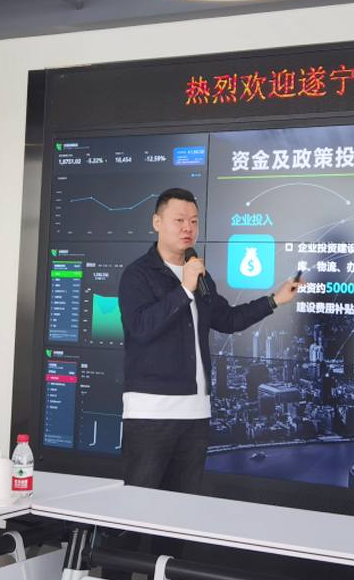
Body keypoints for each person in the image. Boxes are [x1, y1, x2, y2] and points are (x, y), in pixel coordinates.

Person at [118, 187, 301, 492]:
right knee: (139, 506)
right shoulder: (138, 275)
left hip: (196, 414)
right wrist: (183, 290)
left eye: (194, 221)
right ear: (157, 222)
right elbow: (140, 327)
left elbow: (228, 319)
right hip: (151, 413)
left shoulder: (200, 275)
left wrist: (274, 300)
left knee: (182, 508)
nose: (188, 228)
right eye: (179, 220)